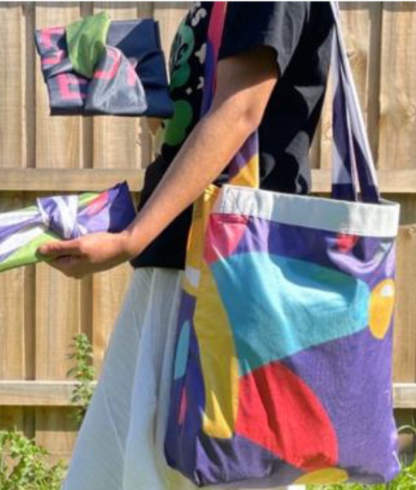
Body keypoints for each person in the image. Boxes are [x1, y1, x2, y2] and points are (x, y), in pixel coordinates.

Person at [38, 2, 336, 489]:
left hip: (229, 271)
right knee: (151, 468)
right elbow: (208, 120)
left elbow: (240, 111)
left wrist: (131, 238)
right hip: (186, 262)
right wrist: (149, 98)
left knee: (214, 472)